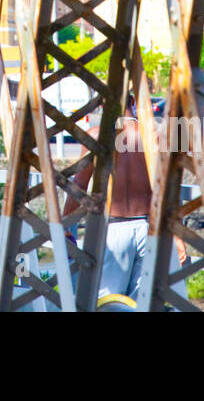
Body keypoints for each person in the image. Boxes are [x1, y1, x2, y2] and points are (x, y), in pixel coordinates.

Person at [62, 94, 183, 304]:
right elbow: (167, 189)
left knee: (105, 302)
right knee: (141, 303)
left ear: (103, 105)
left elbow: (79, 185)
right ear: (133, 102)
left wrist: (64, 224)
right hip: (148, 229)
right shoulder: (152, 136)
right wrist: (177, 233)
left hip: (113, 230)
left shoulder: (97, 135)